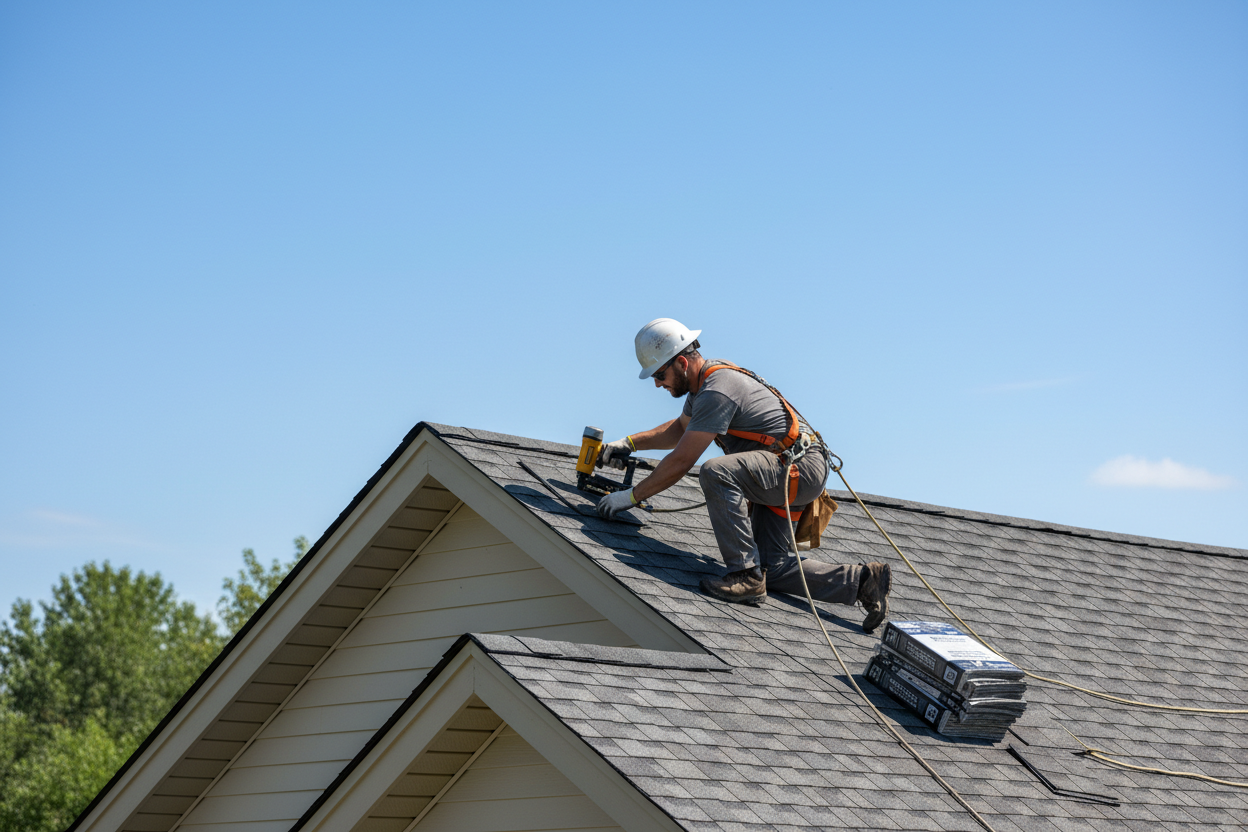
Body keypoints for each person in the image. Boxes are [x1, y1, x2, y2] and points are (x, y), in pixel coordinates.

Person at [595, 318, 892, 632]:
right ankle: (863, 581)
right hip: (787, 469)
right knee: (773, 569)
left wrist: (628, 498)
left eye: (659, 374)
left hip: (796, 470)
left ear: (682, 363)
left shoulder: (716, 390)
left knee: (715, 472)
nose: (657, 384)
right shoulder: (702, 389)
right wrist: (629, 443)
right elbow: (680, 430)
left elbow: (682, 459)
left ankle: (744, 576)